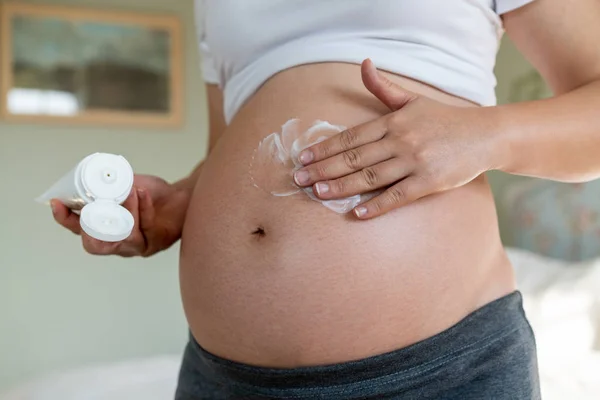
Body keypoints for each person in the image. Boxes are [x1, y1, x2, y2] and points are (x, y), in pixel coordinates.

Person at [50, 0, 600, 398]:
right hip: (223, 377)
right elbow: (227, 149)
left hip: (432, 372)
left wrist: (485, 135)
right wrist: (177, 204)